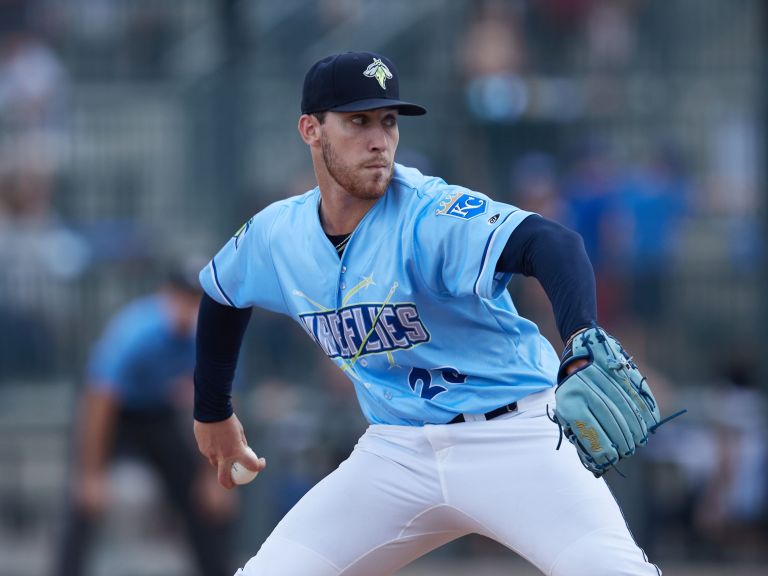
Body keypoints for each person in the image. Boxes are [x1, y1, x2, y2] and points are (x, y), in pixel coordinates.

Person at [193, 51, 663, 575]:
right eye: (358, 121)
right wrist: (213, 411)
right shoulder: (278, 233)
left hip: (516, 437)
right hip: (395, 452)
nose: (379, 140)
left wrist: (580, 335)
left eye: (388, 122)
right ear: (311, 130)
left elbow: (552, 244)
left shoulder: (429, 213)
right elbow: (221, 293)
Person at [55, 268, 235, 576]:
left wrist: (213, 477)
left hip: (157, 414)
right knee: (84, 501)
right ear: (165, 295)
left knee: (202, 497)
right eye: (182, 297)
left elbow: (220, 406)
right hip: (114, 415)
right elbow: (100, 399)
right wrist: (91, 474)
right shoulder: (137, 329)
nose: (187, 307)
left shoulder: (207, 334)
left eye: (195, 300)